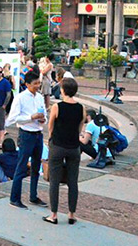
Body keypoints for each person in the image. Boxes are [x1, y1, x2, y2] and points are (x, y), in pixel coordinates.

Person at [5, 64, 48, 209]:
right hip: (26, 134)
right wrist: (31, 117)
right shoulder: (20, 98)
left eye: (39, 83)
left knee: (36, 165)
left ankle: (33, 195)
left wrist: (43, 119)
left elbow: (45, 115)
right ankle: (14, 197)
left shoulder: (40, 97)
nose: (37, 86)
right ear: (27, 84)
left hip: (38, 133)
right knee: (22, 166)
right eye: (35, 84)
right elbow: (13, 118)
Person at [43, 77, 85, 225]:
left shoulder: (57, 107)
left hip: (58, 146)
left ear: (63, 90)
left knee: (54, 181)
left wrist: (51, 139)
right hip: (74, 147)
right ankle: (71, 214)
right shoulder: (81, 107)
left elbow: (51, 126)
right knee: (73, 181)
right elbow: (80, 127)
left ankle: (53, 214)